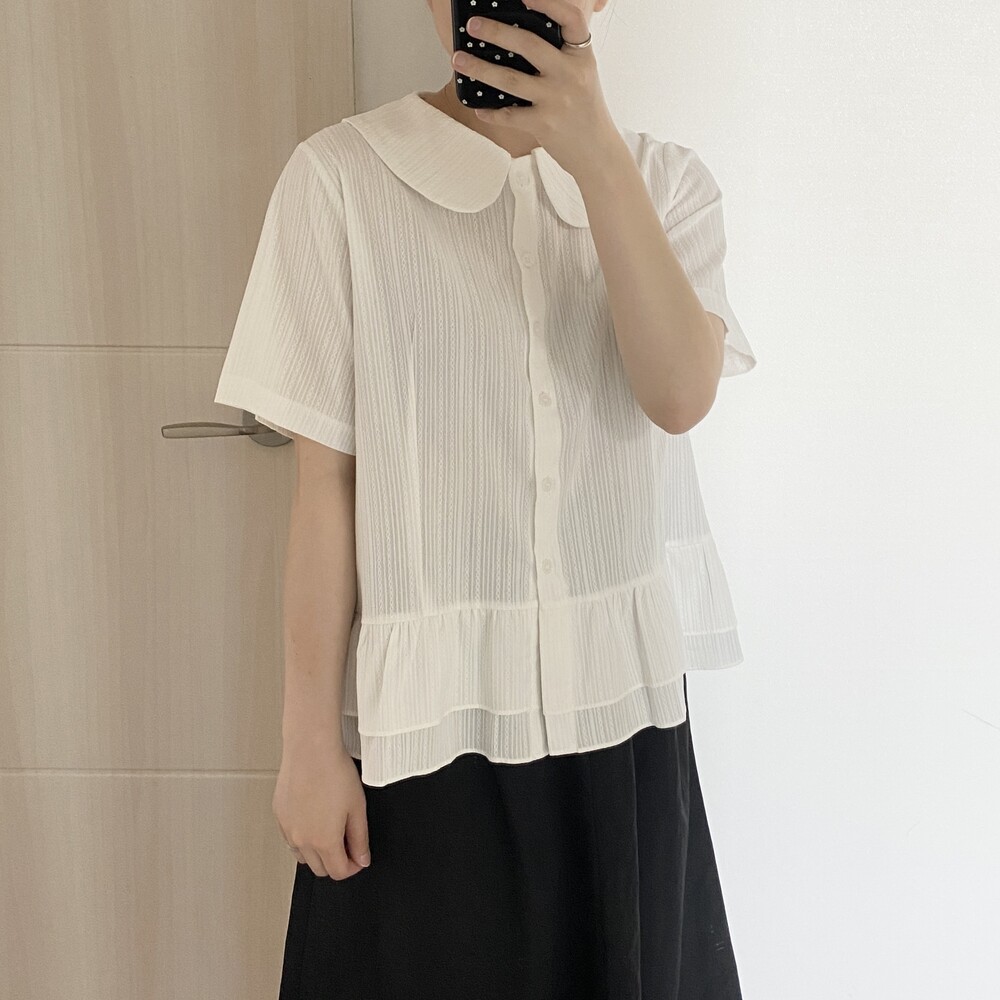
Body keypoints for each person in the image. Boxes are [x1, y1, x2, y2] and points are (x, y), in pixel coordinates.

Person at [215, 0, 757, 996]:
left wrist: (594, 155)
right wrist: (307, 745)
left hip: (619, 727)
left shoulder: (666, 184)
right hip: (425, 732)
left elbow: (679, 395)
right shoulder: (340, 182)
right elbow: (325, 488)